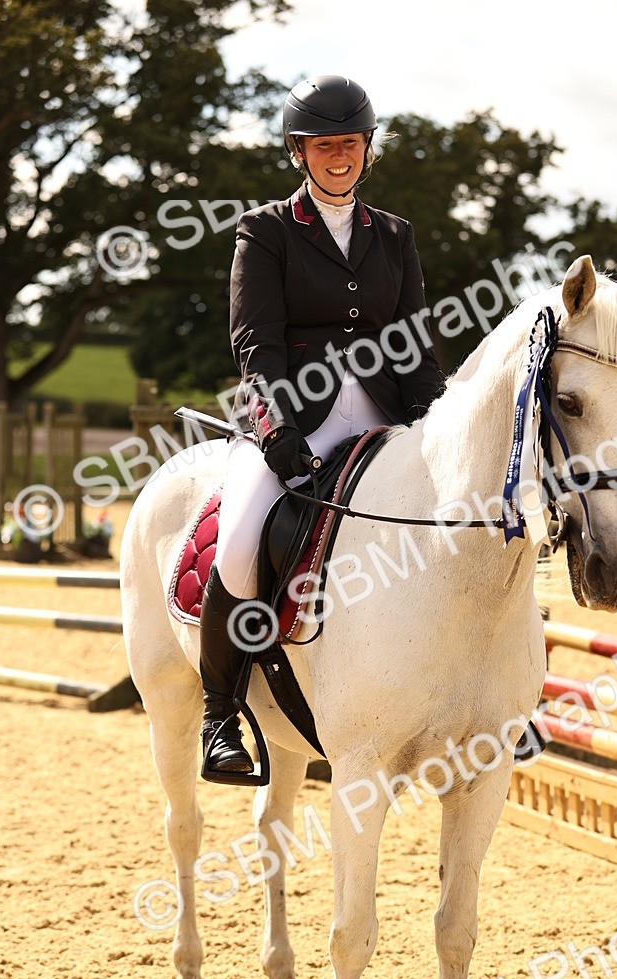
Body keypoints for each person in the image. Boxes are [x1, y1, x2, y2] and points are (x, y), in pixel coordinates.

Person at [200, 74, 445, 779]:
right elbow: (256, 342)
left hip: (379, 409)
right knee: (242, 540)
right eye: (324, 146)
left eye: (351, 144)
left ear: (368, 150)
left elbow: (413, 345)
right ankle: (221, 718)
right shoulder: (266, 229)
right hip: (292, 418)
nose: (340, 157)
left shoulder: (394, 236)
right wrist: (276, 434)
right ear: (299, 153)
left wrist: (444, 424)